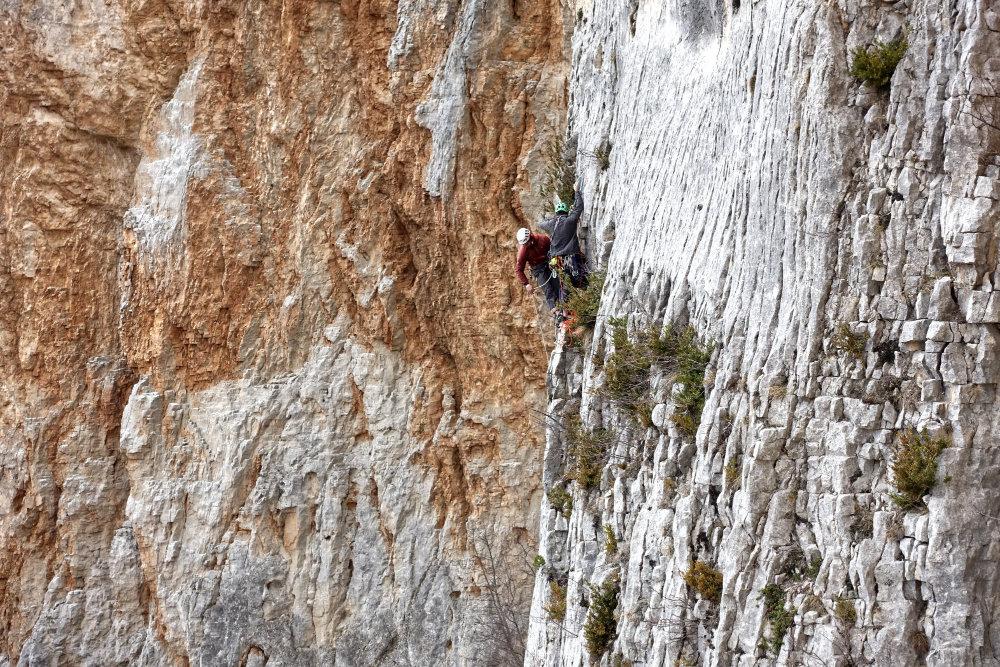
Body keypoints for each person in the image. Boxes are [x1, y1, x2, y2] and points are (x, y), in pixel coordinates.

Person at [540, 179, 586, 302]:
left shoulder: (551, 223)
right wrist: (577, 192)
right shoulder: (570, 220)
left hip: (557, 260)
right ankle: (566, 310)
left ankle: (565, 310)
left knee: (563, 283)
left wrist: (552, 219)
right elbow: (579, 207)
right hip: (571, 257)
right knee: (578, 280)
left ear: (556, 213)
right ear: (566, 212)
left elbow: (541, 223)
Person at [515, 227, 561, 317]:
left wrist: (553, 261)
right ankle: (557, 313)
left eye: (526, 242)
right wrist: (527, 284)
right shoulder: (523, 251)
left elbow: (553, 250)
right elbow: (519, 269)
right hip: (538, 269)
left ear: (530, 237)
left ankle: (565, 308)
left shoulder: (543, 239)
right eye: (523, 244)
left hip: (550, 263)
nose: (525, 245)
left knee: (557, 285)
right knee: (548, 289)